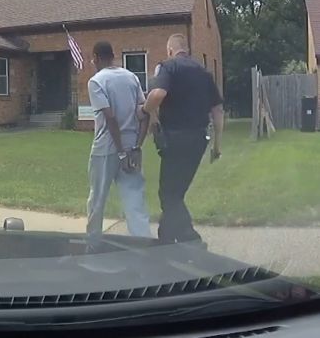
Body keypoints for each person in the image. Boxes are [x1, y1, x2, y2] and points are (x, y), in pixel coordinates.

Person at [142, 33, 224, 247]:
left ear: (170, 50)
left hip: (176, 139)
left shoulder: (168, 67)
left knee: (169, 194)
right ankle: (166, 239)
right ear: (186, 50)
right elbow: (217, 111)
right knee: (176, 191)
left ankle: (191, 239)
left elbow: (158, 94)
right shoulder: (204, 73)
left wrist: (144, 108)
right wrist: (217, 145)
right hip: (199, 140)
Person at [86, 41, 152, 252]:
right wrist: (137, 146)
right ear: (113, 56)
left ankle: (93, 245)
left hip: (105, 149)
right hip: (132, 145)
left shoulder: (96, 81)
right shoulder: (131, 77)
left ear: (96, 57)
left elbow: (110, 117)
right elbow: (144, 113)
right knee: (135, 200)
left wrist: (121, 152)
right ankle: (144, 246)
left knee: (97, 199)